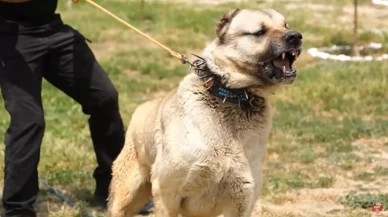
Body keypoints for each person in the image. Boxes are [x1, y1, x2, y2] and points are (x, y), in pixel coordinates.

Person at [0, 0, 152, 216]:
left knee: (104, 98)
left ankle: (112, 189)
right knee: (28, 121)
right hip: (11, 36)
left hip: (51, 28)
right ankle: (18, 208)